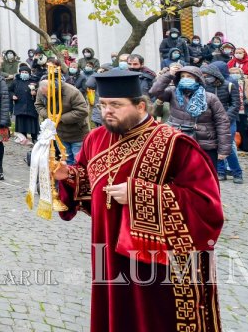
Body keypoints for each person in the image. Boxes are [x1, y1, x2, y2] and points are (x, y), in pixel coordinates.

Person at [54, 71, 223, 332]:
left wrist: (140, 194)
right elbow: (91, 186)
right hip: (107, 252)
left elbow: (206, 206)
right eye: (103, 105)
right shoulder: (95, 139)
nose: (107, 112)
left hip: (156, 264)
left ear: (140, 106)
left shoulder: (174, 144)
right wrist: (69, 176)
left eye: (116, 105)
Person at [149, 65, 231, 173]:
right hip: (179, 141)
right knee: (179, 176)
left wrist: (223, 150)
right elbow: (155, 91)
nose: (185, 78)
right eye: (182, 76)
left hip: (204, 144)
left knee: (205, 176)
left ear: (198, 79)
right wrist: (169, 75)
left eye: (189, 76)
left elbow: (222, 123)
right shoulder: (172, 93)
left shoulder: (210, 98)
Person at [35, 78, 90, 165]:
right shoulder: (42, 91)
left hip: (77, 133)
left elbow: (83, 111)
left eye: (49, 94)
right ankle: (68, 178)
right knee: (66, 161)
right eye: (45, 95)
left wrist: (60, 118)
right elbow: (38, 105)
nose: (47, 97)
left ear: (55, 89)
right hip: (59, 133)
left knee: (79, 162)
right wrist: (48, 115)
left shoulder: (72, 92)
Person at [11, 63, 39, 145]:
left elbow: (40, 91)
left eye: (26, 72)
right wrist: (12, 96)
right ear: (19, 73)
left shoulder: (34, 81)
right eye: (22, 72)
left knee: (32, 122)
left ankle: (35, 138)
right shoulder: (15, 82)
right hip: (20, 105)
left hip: (31, 105)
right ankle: (23, 138)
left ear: (29, 73)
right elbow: (9, 90)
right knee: (21, 122)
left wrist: (35, 92)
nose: (24, 74)